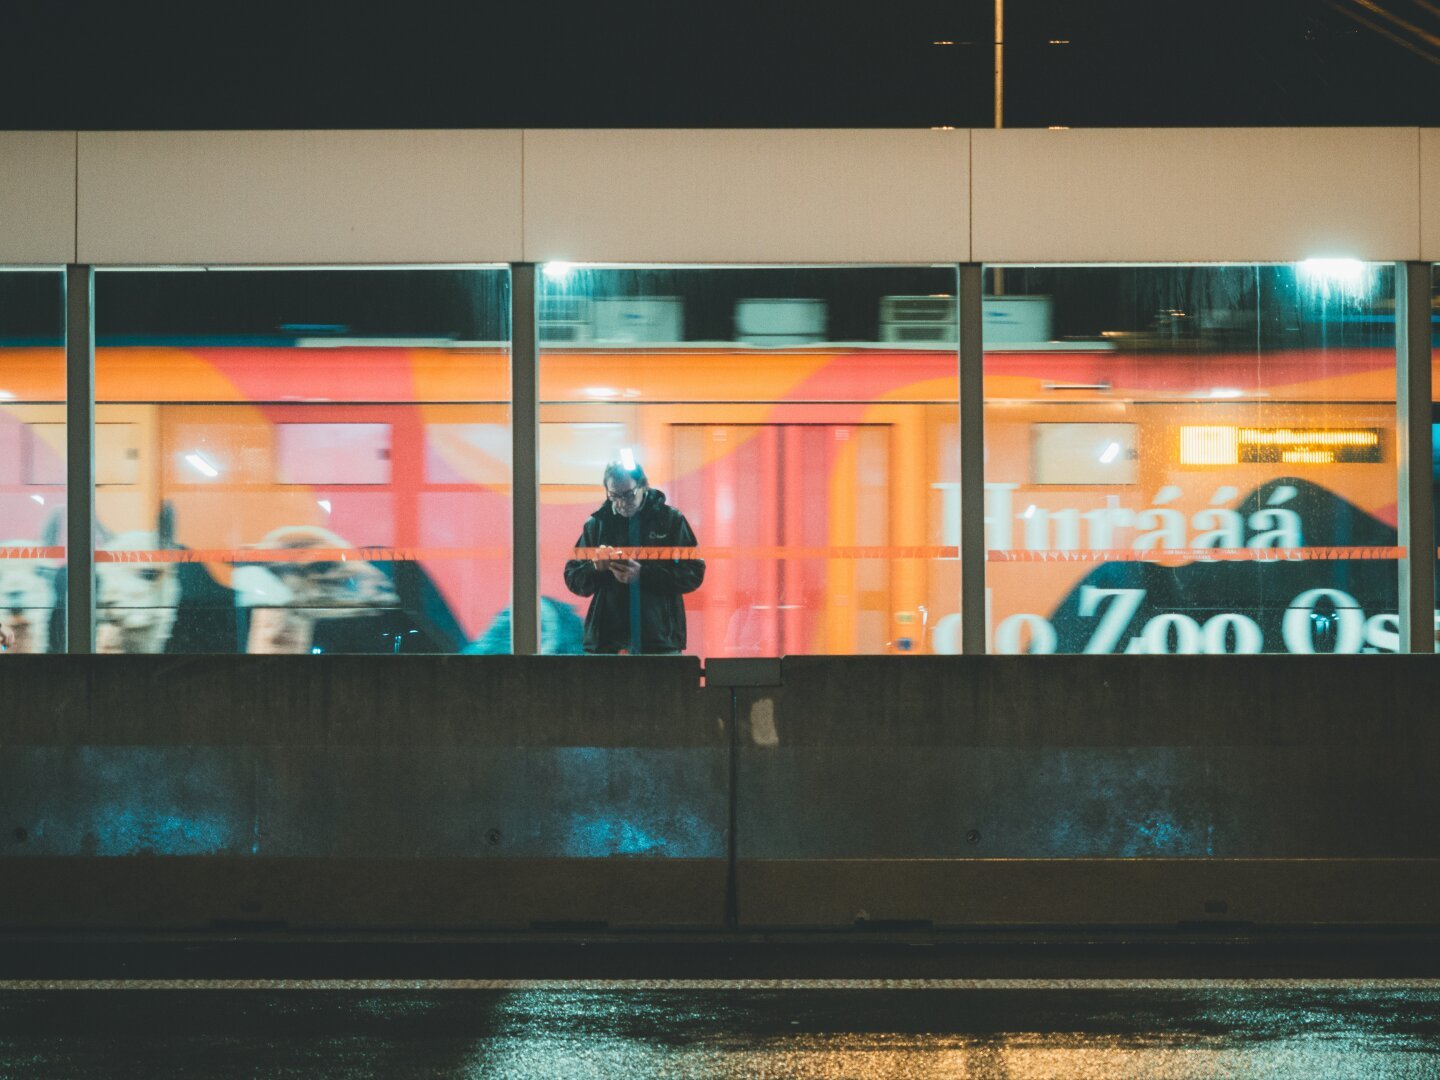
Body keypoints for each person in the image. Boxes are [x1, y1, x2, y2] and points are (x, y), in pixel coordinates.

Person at [564, 460, 704, 654]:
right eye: (614, 496)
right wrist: (595, 568)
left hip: (657, 641)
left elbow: (694, 574)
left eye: (629, 495)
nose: (621, 503)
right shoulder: (596, 525)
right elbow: (573, 578)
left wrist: (643, 575)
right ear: (607, 491)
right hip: (608, 640)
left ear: (643, 486)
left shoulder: (671, 520)